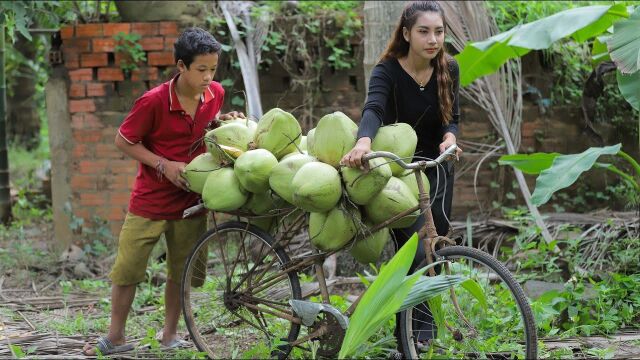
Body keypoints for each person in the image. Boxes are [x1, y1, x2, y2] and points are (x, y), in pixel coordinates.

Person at [82, 27, 244, 356]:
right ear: (181, 66)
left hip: (192, 200)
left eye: (213, 69)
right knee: (128, 268)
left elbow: (206, 129)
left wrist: (224, 121)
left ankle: (169, 334)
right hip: (150, 201)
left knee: (181, 271)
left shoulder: (215, 94)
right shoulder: (154, 101)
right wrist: (164, 165)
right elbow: (123, 141)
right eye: (201, 69)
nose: (208, 77)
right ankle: (115, 337)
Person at [341, 0, 461, 350]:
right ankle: (410, 339)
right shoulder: (388, 71)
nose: (433, 39)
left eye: (438, 31)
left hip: (436, 166)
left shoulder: (449, 68)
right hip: (397, 168)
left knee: (433, 248)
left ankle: (422, 335)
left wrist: (450, 138)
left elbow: (452, 116)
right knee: (412, 252)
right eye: (424, 31)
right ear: (407, 34)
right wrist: (363, 143)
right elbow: (374, 108)